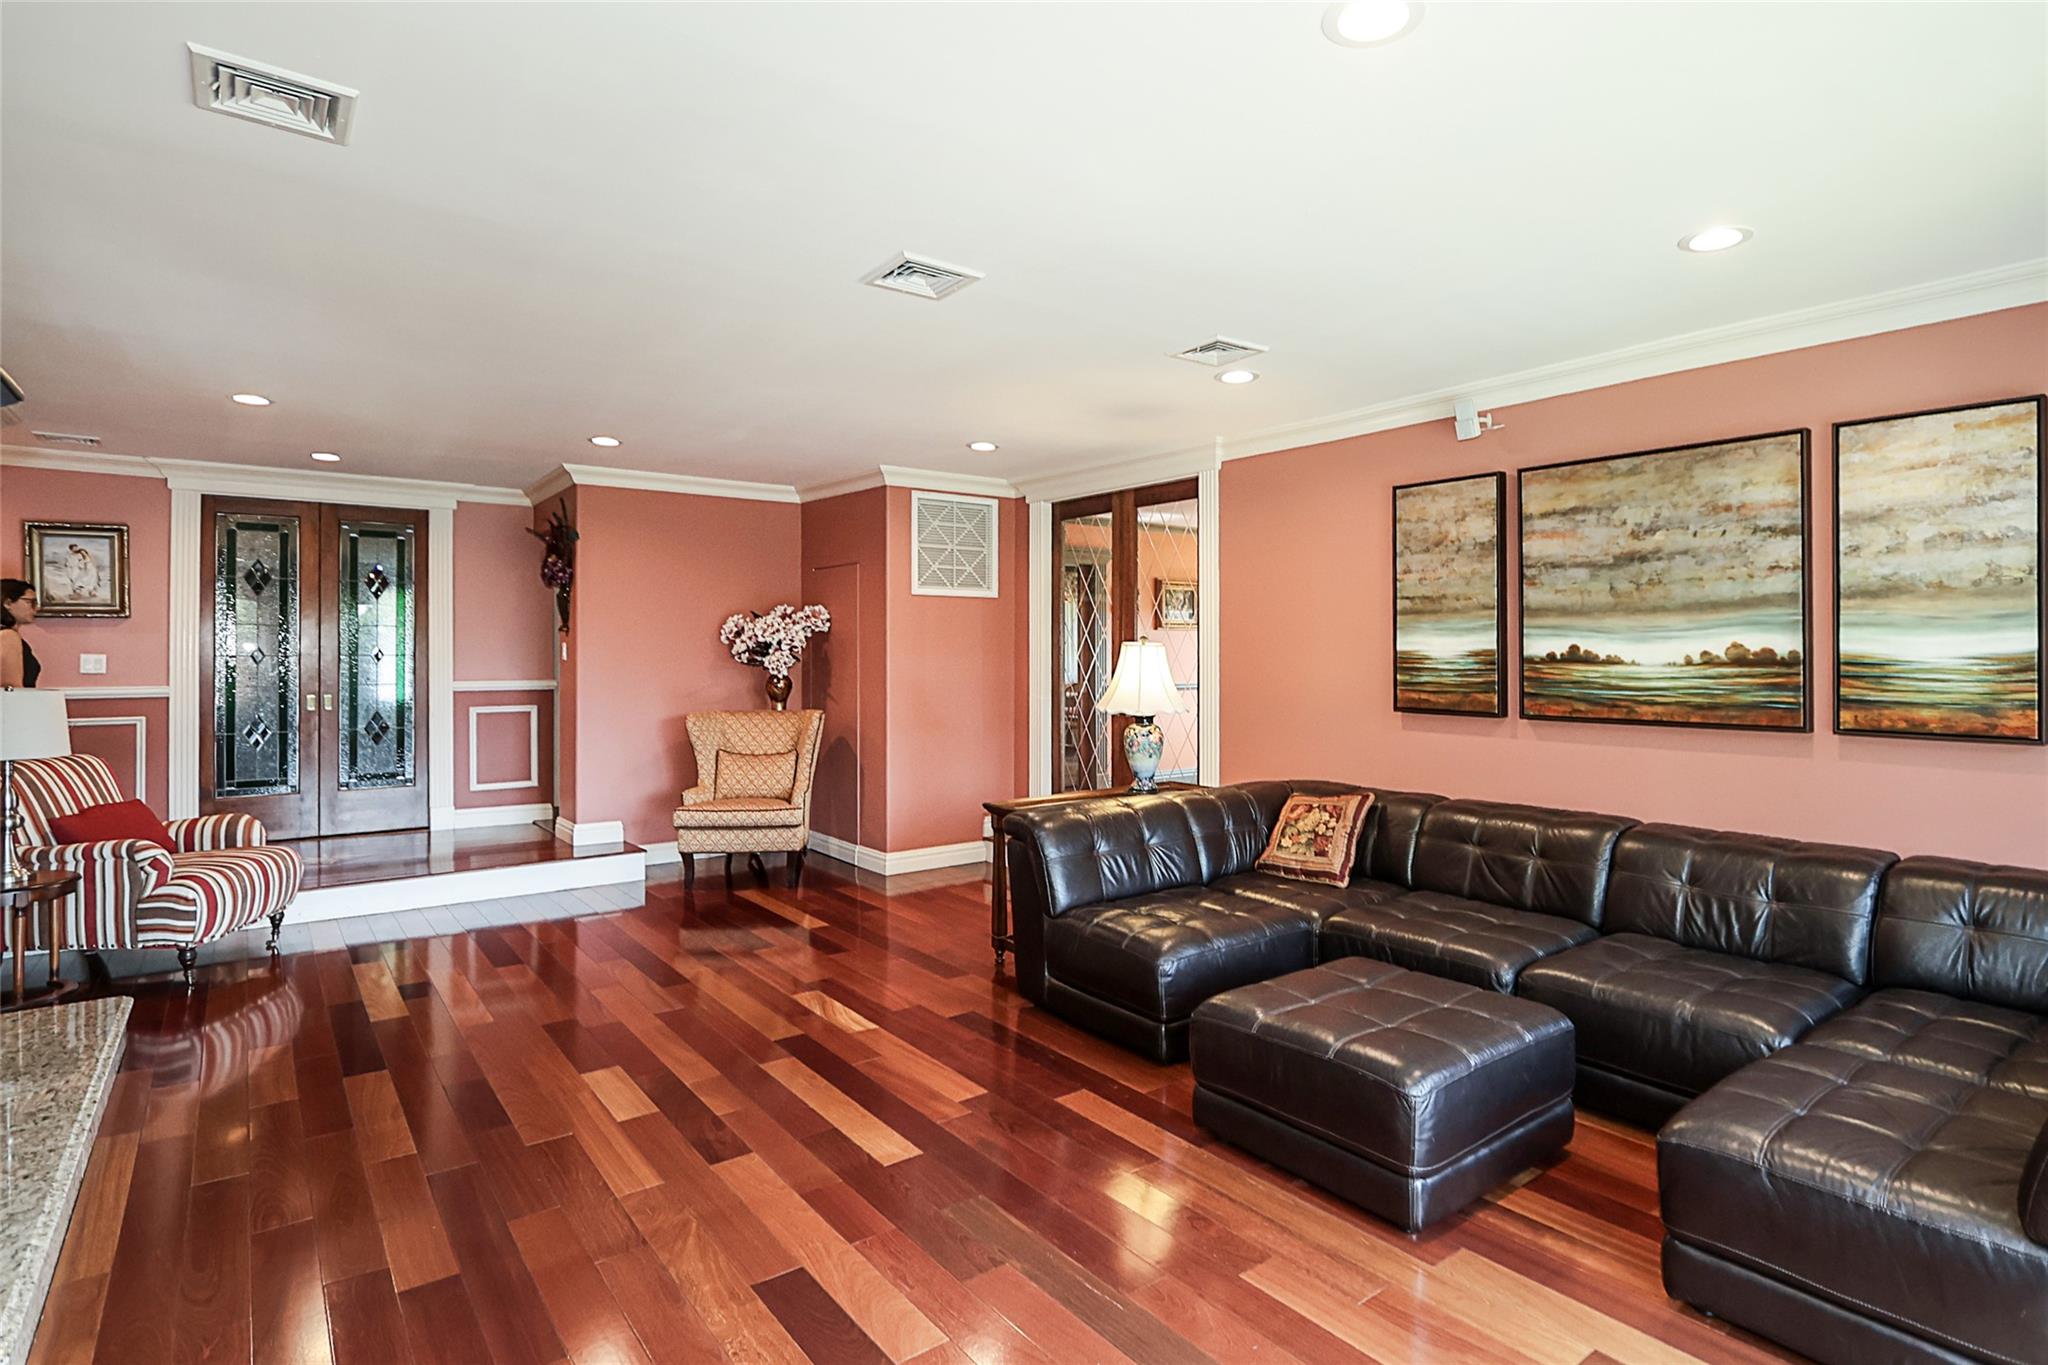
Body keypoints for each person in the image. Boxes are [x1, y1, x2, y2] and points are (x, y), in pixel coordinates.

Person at [1, 578, 41, 687]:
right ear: (8, 603)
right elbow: (11, 687)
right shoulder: (8, 636)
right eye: (30, 602)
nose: (35, 608)